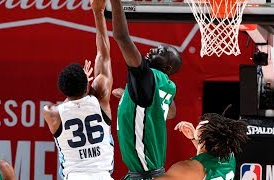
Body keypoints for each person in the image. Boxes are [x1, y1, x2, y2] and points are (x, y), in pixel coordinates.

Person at [109, 0, 182, 178]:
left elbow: (121, 37)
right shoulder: (168, 85)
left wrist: (115, 3)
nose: (153, 50)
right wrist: (130, 97)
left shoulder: (147, 76)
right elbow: (170, 112)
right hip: (149, 170)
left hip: (144, 174)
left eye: (160, 52)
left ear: (168, 68)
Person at [43, 0, 114, 179]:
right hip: (102, 175)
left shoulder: (51, 112)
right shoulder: (100, 97)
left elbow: (70, 102)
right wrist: (98, 11)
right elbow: (103, 55)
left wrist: (83, 85)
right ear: (87, 83)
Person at [155, 113, 248, 180]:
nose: (202, 121)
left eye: (204, 125)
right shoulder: (228, 155)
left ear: (203, 139)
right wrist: (194, 139)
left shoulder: (188, 168)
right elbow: (206, 157)